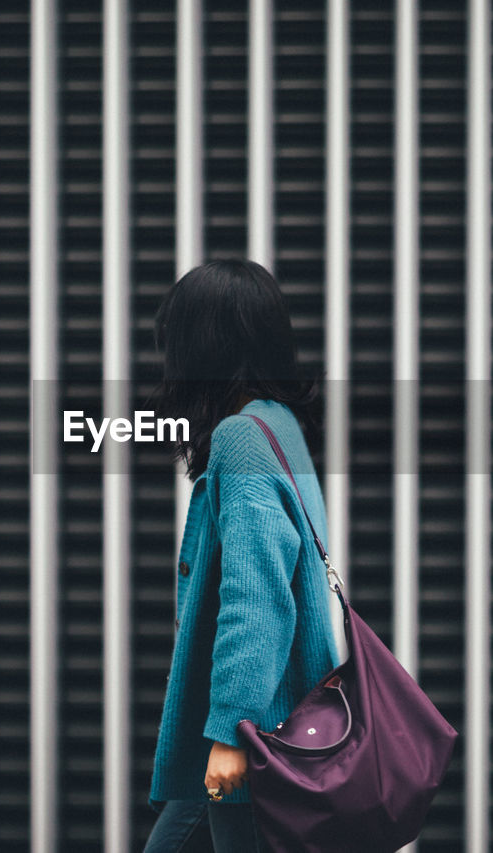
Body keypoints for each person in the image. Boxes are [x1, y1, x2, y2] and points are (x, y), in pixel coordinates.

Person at [142, 259, 343, 852]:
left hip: (256, 740)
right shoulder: (280, 426)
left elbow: (257, 599)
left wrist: (233, 732)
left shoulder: (242, 438)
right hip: (269, 727)